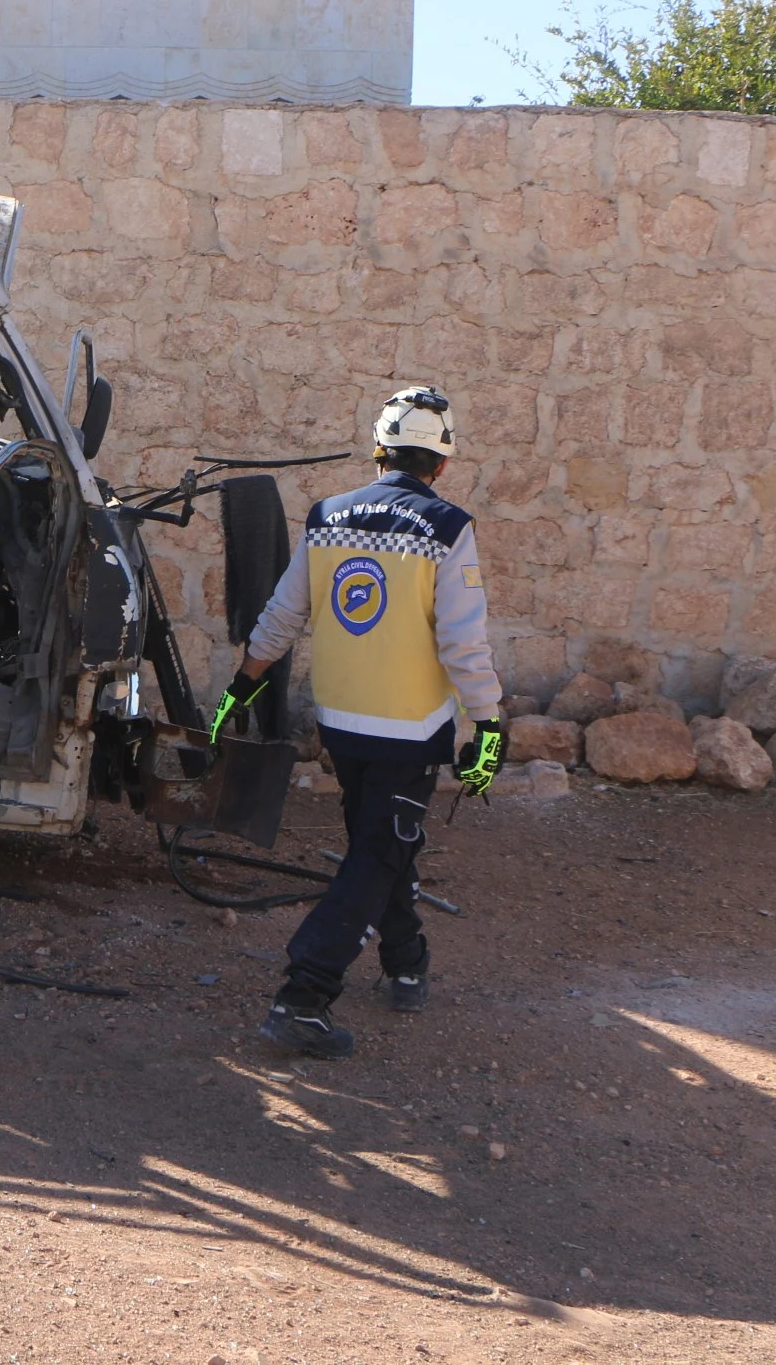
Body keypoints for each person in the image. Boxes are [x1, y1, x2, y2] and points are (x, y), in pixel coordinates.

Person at [214, 385, 505, 1059]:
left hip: (341, 723)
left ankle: (406, 962)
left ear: (379, 450)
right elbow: (463, 643)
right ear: (444, 462)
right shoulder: (448, 527)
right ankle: (304, 995)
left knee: (381, 843)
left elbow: (283, 616)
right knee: (377, 852)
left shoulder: (327, 515)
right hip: (409, 729)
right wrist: (488, 727)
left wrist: (241, 687)